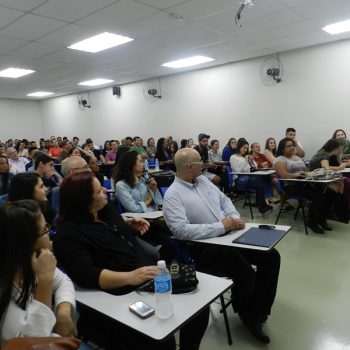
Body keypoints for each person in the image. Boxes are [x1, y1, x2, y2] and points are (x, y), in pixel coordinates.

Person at [54, 171, 209, 350]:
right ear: (84, 201)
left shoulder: (104, 210)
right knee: (162, 340)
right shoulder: (69, 234)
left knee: (199, 309)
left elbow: (111, 229)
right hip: (120, 294)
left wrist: (127, 224)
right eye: (98, 191)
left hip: (146, 279)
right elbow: (85, 274)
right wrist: (130, 277)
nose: (105, 191)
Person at [162, 148, 281, 344]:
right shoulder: (173, 195)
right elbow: (181, 231)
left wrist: (234, 218)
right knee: (246, 274)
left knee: (271, 256)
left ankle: (259, 309)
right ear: (191, 167)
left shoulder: (202, 181)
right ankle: (248, 314)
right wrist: (220, 226)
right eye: (201, 162)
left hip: (229, 235)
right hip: (205, 248)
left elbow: (224, 200)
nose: (205, 163)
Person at [0, 200, 76, 346]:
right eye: (44, 230)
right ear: (25, 243)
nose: (49, 235)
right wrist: (45, 281)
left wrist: (63, 312)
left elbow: (63, 281)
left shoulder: (30, 262)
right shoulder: (4, 291)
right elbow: (33, 345)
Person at [274, 138, 332, 233]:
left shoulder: (297, 157)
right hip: (291, 186)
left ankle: (321, 219)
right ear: (282, 148)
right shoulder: (280, 160)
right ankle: (311, 221)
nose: (292, 147)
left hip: (304, 183)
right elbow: (285, 175)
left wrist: (313, 174)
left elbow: (306, 171)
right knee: (319, 197)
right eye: (289, 146)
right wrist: (301, 176)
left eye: (293, 145)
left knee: (329, 192)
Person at [230, 139, 274, 216]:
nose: (246, 150)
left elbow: (254, 167)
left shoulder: (244, 157)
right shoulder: (233, 157)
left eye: (247, 148)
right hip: (239, 179)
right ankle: (263, 208)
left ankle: (263, 204)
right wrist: (246, 161)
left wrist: (252, 160)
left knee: (264, 179)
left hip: (247, 177)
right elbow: (238, 171)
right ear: (239, 147)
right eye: (244, 148)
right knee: (260, 184)